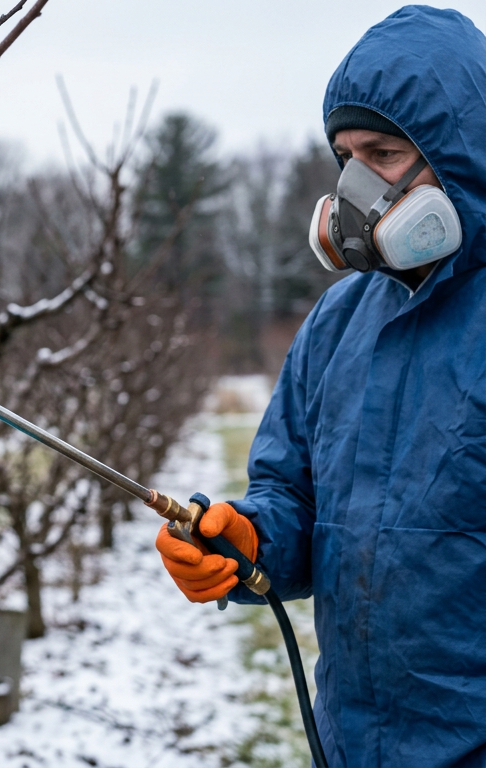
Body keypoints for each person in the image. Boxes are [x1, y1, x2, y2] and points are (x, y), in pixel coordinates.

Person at [154, 6, 486, 766]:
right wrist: (249, 538)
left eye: (383, 152)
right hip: (352, 742)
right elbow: (296, 497)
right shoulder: (339, 322)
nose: (357, 185)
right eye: (345, 155)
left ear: (463, 154)